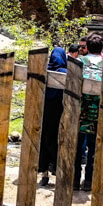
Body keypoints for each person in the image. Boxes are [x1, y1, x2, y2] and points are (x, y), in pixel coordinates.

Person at [75, 34, 103, 191]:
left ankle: (74, 179)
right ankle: (88, 182)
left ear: (86, 48)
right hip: (98, 114)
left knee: (77, 148)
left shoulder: (79, 62)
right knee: (94, 148)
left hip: (79, 112)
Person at [38, 47, 67, 186]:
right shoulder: (65, 72)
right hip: (60, 114)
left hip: (43, 112)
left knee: (44, 141)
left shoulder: (44, 70)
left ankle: (44, 173)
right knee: (58, 141)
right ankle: (57, 168)